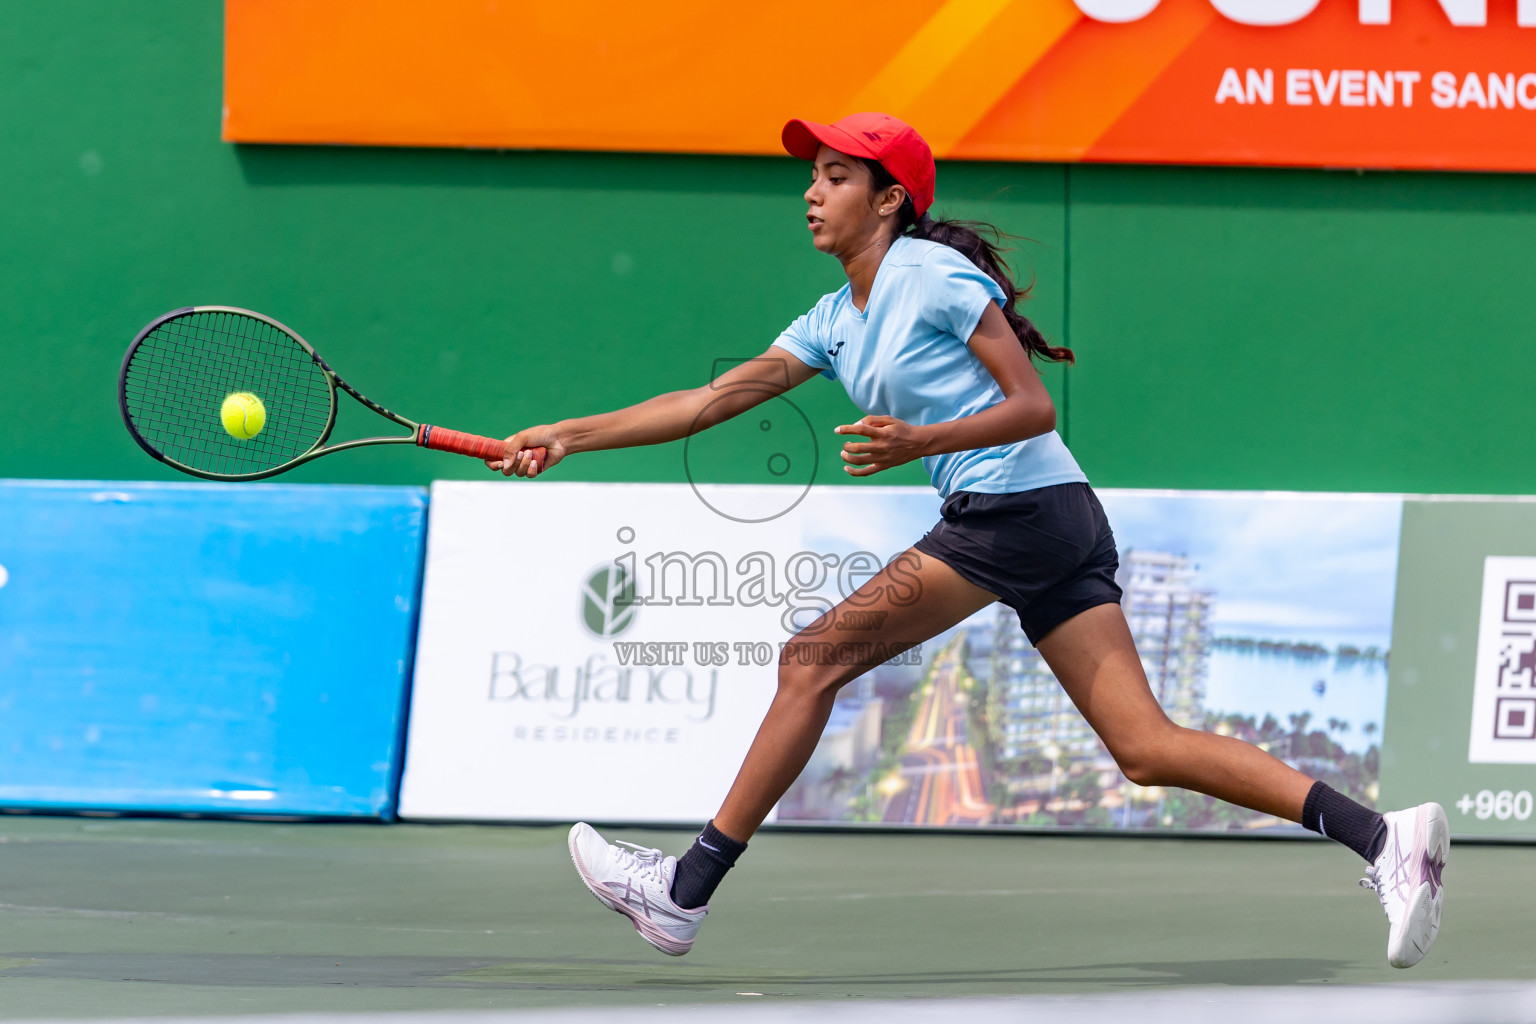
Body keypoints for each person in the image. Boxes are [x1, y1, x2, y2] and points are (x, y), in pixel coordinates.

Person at [486, 112, 1447, 968]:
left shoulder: (932, 273)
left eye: (835, 176)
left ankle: (685, 890)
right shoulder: (833, 319)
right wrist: (566, 434)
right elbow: (709, 401)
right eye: (812, 176)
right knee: (1146, 748)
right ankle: (1382, 837)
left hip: (1014, 511)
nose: (812, 193)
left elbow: (1032, 404)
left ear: (889, 199)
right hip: (1050, 519)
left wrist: (921, 440)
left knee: (811, 660)